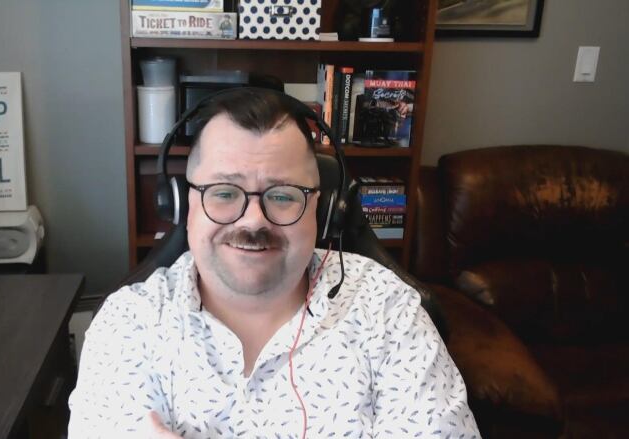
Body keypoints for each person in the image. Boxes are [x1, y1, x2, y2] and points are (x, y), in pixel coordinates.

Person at [68, 88, 479, 438]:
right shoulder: (128, 325)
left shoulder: (390, 313)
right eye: (224, 191)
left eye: (282, 195)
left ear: (325, 208)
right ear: (183, 204)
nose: (253, 220)